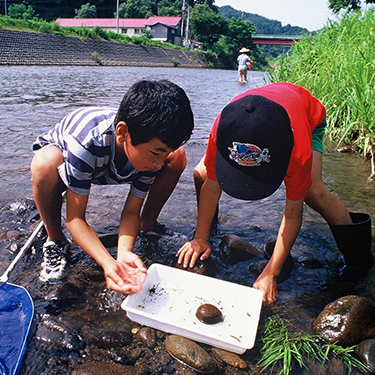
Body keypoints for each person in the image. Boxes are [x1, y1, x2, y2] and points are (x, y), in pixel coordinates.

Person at [176, 82, 374, 305]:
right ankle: (208, 230)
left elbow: (292, 214)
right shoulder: (222, 127)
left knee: (313, 192)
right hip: (256, 122)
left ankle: (359, 260)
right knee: (202, 174)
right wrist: (201, 238)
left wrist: (271, 271)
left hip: (307, 118)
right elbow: (212, 185)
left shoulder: (296, 149)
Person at [31, 80, 194, 295]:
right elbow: (75, 219)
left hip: (120, 161)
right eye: (157, 153)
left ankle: (147, 226)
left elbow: (130, 211)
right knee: (45, 162)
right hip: (69, 162)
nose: (159, 163)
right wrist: (108, 263)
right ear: (122, 132)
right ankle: (55, 240)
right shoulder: (85, 143)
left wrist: (124, 253)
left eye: (165, 153)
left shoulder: (151, 153)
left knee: (178, 158)